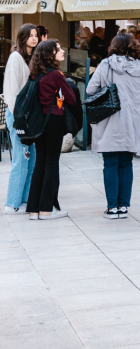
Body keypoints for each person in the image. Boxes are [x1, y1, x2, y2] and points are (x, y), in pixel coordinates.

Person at [86, 33, 140, 219]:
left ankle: (112, 207)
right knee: (126, 163)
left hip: (110, 120)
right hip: (133, 122)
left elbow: (90, 90)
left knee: (110, 163)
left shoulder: (105, 65)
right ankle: (123, 206)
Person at [24, 40, 76, 220]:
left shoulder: (35, 73)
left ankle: (33, 210)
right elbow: (72, 99)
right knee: (52, 163)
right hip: (53, 120)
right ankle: (47, 209)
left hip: (38, 122)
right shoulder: (56, 75)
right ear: (50, 54)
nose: (62, 51)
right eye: (58, 49)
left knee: (40, 163)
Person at [3, 24, 38, 214]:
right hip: (18, 115)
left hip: (28, 116)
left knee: (31, 159)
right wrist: (19, 118)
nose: (34, 38)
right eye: (30, 35)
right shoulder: (15, 58)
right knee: (21, 158)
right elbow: (11, 91)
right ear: (22, 38)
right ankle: (12, 203)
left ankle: (24, 200)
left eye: (36, 35)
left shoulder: (30, 58)